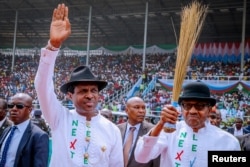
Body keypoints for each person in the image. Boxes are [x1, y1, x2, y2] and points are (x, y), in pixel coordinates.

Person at [34, 3, 123, 167]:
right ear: (70, 95)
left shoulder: (112, 130)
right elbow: (42, 85)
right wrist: (53, 46)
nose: (90, 95)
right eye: (83, 91)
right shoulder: (59, 118)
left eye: (93, 90)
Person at [134, 81, 241, 167]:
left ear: (209, 110)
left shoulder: (228, 142)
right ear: (181, 108)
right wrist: (160, 124)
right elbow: (141, 157)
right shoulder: (169, 132)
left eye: (200, 105)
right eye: (187, 105)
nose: (193, 111)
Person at [0, 93, 49, 167]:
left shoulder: (39, 136)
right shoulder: (6, 130)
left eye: (19, 106)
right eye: (11, 106)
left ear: (30, 110)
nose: (14, 109)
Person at [117, 96, 160, 167]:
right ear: (126, 110)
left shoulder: (153, 131)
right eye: (137, 107)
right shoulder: (117, 129)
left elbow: (156, 161)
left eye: (143, 108)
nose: (141, 111)